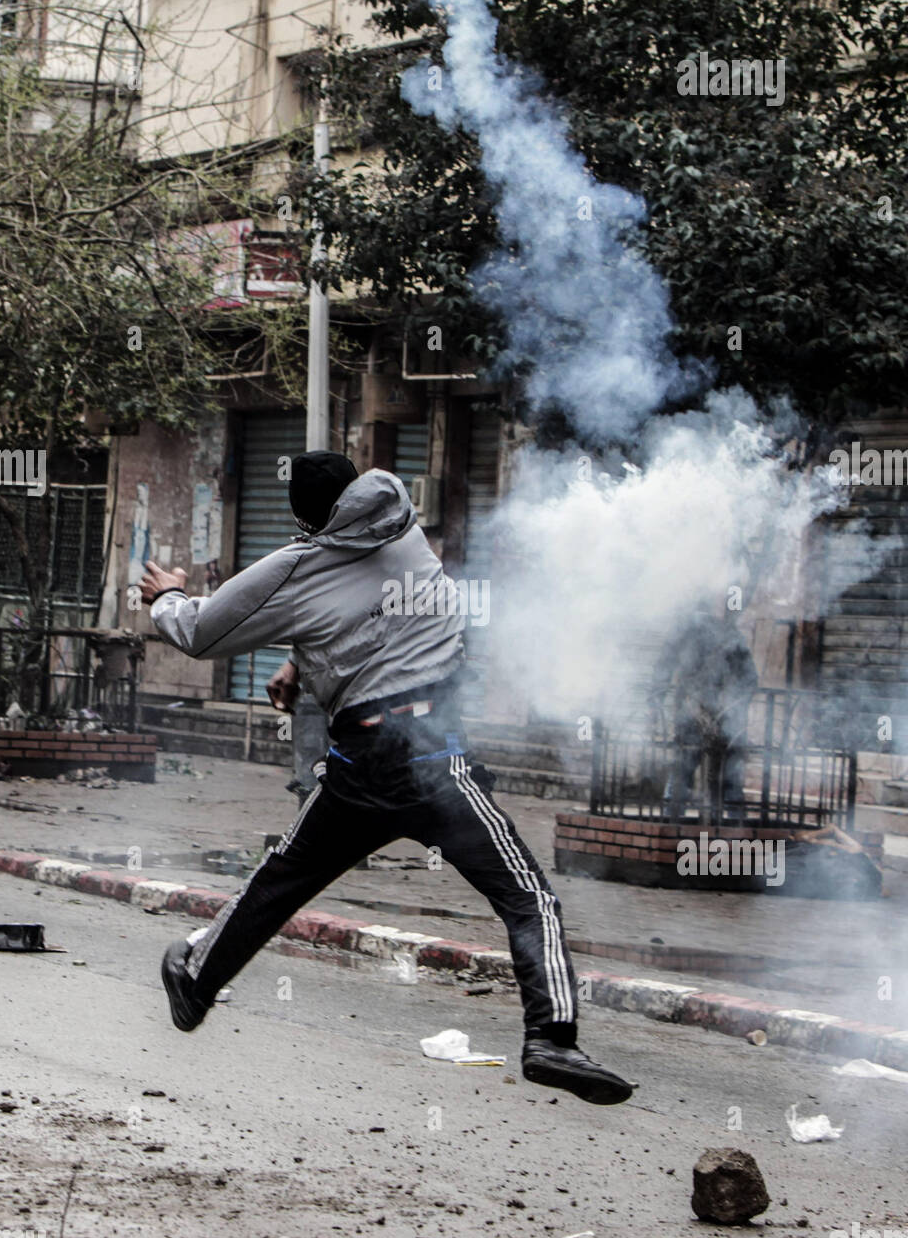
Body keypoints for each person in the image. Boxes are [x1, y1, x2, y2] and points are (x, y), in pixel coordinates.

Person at [139, 451, 633, 1106]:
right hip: (432, 756)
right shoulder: (403, 526)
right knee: (526, 898)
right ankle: (552, 1040)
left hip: (361, 761)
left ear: (302, 518)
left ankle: (198, 982)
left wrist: (168, 596)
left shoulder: (296, 567)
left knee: (282, 879)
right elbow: (372, 617)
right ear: (357, 488)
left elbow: (203, 632)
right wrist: (302, 664)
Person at [653, 604, 758, 821]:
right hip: (695, 716)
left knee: (718, 779)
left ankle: (677, 823)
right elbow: (664, 666)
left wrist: (733, 707)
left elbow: (749, 679)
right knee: (690, 773)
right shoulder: (691, 632)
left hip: (721, 719)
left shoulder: (727, 635)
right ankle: (676, 823)